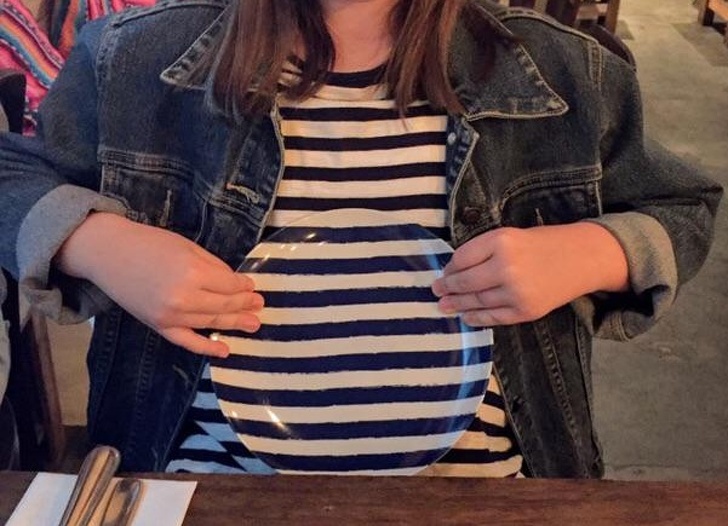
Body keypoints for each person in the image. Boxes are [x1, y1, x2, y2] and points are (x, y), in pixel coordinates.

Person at [0, 0, 721, 477]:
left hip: (481, 489)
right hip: (207, 485)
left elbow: (682, 205)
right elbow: (13, 174)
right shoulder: (135, 61)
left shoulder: (559, 70)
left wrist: (592, 252)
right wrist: (98, 242)